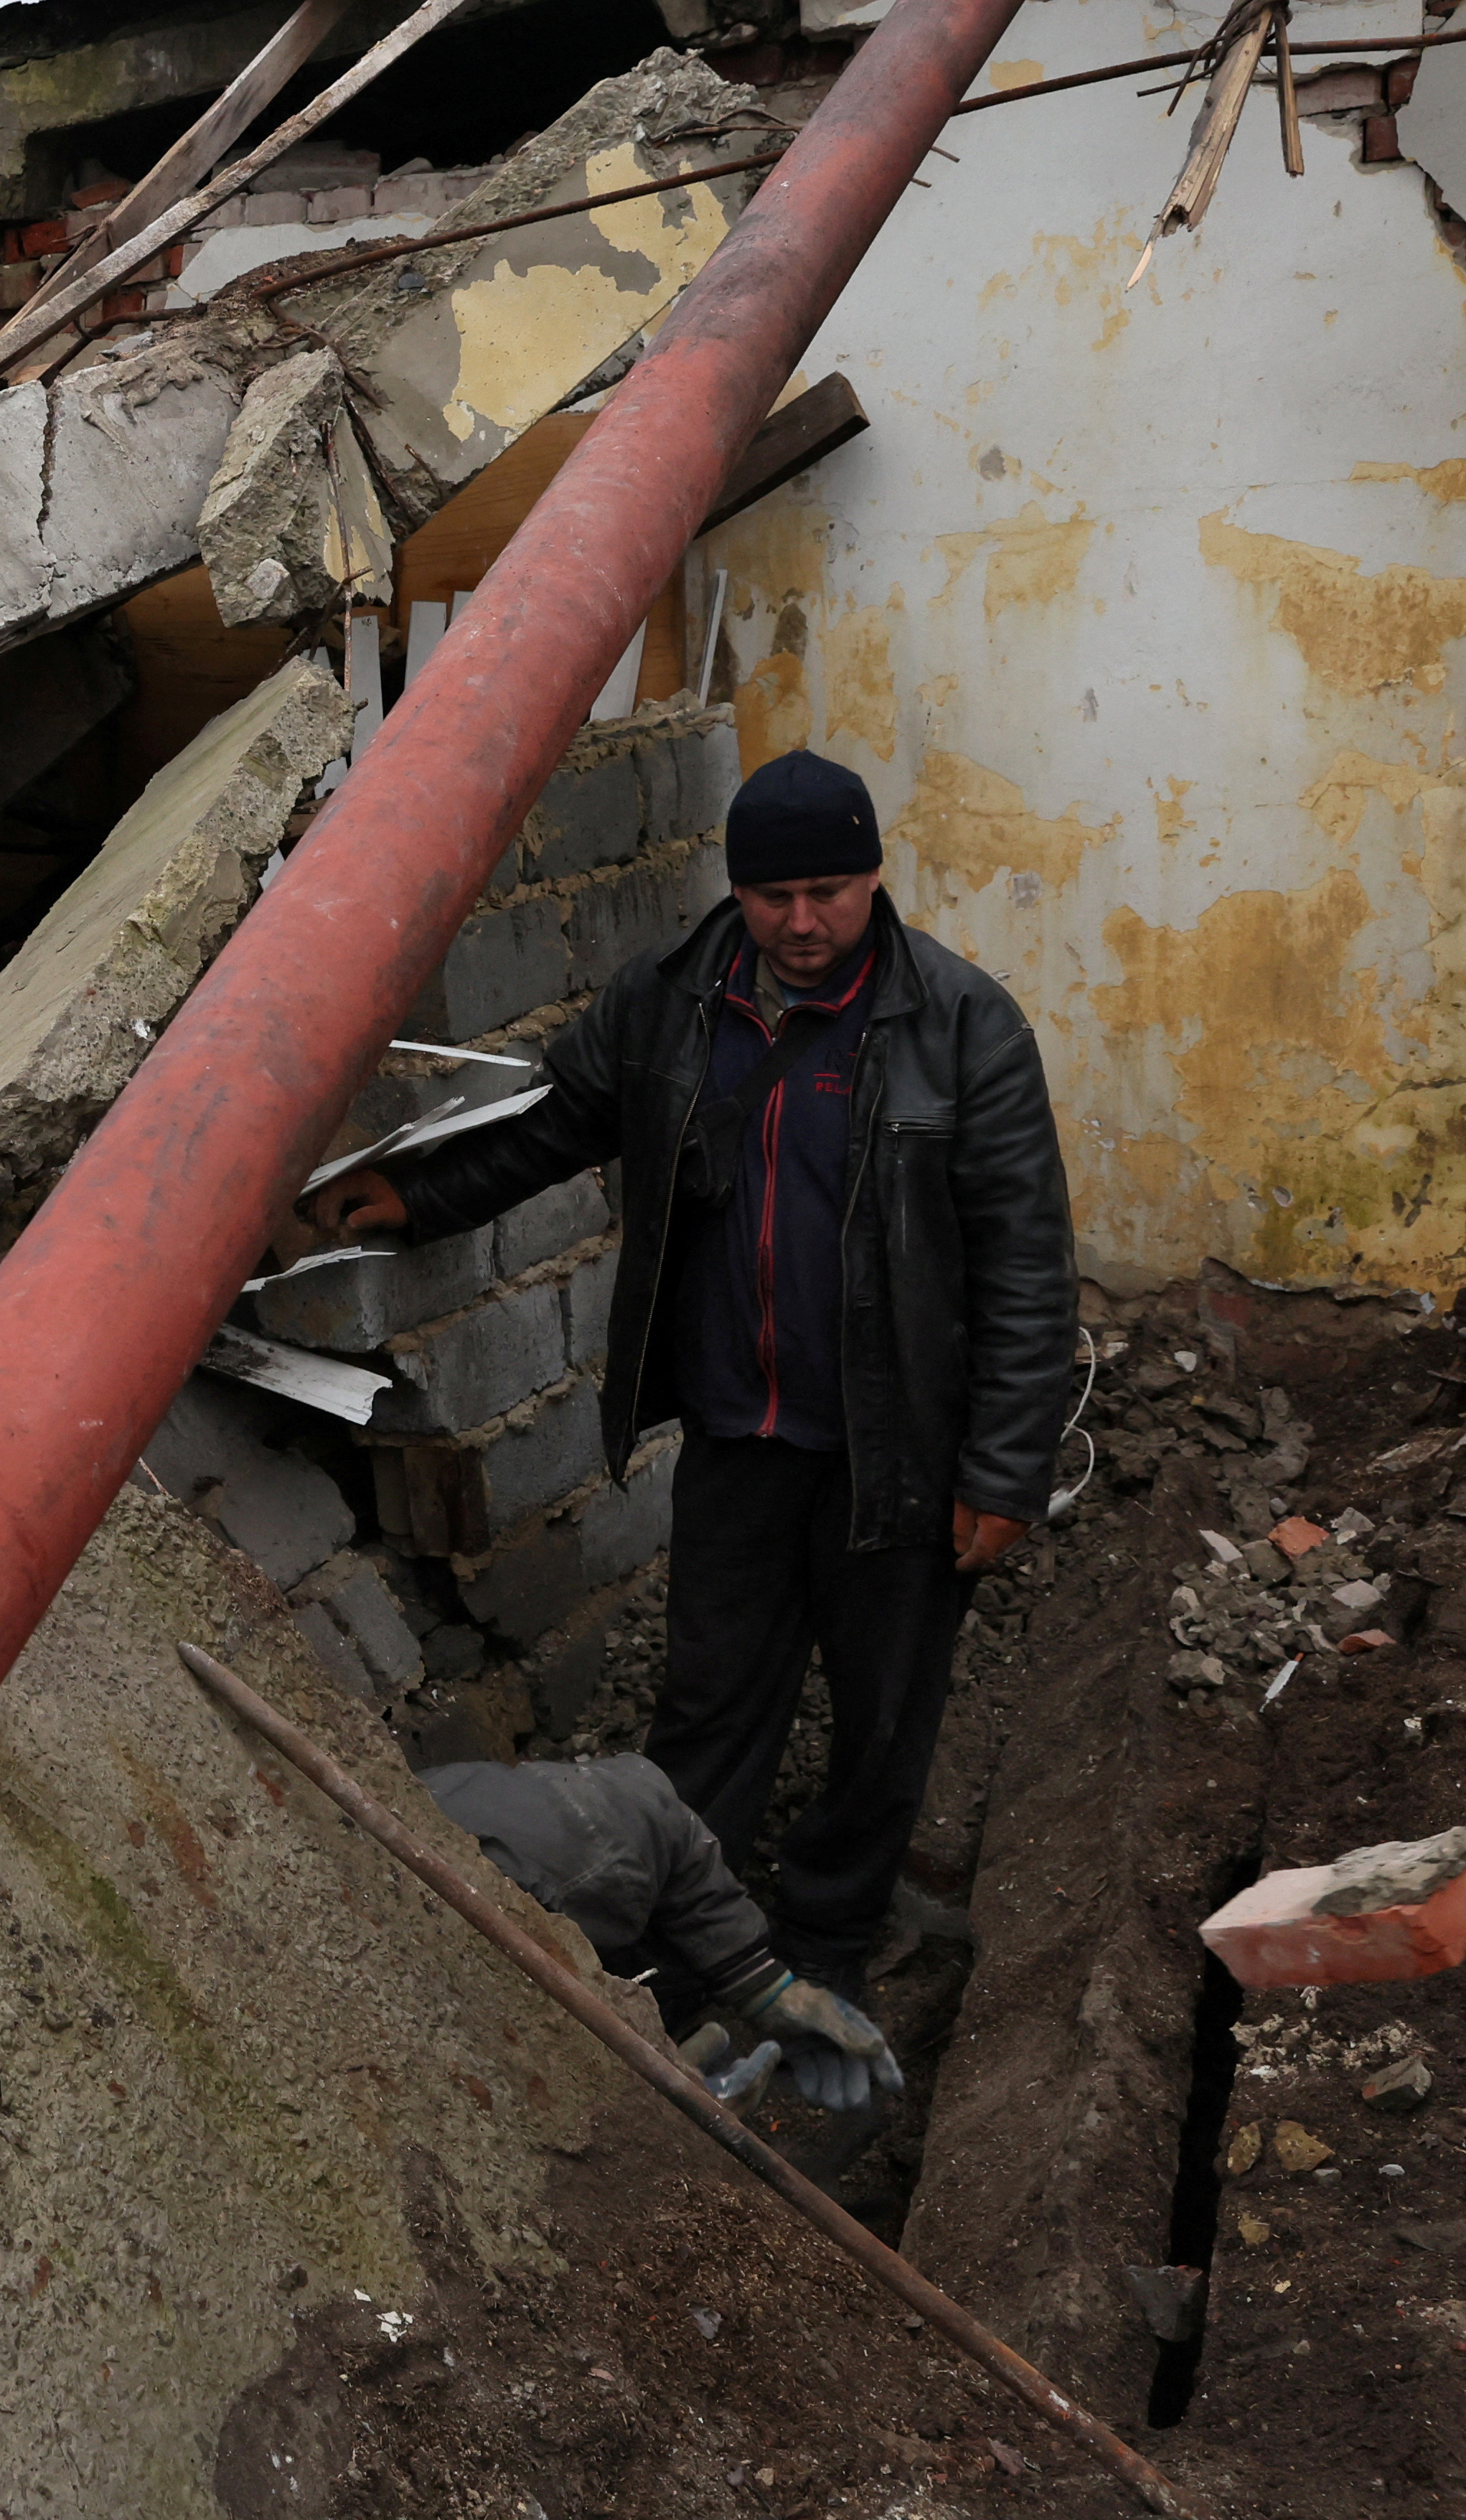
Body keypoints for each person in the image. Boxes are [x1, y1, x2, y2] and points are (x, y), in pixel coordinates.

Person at [283, 749, 1073, 2016]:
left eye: (829, 891)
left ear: (876, 879)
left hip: (904, 1447)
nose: (803, 923)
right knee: (712, 1700)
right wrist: (416, 1197)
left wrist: (1004, 1469)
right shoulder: (667, 1001)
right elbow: (554, 1124)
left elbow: (1029, 1265)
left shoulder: (964, 1027)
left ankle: (827, 1933)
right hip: (740, 1430)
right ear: (736, 889)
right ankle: (690, 1947)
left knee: (882, 1715)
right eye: (774, 897)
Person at [423, 1753, 901, 2109]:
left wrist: (765, 1986)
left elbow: (664, 1833)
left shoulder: (580, 1835)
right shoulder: (427, 1976)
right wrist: (639, 2102)